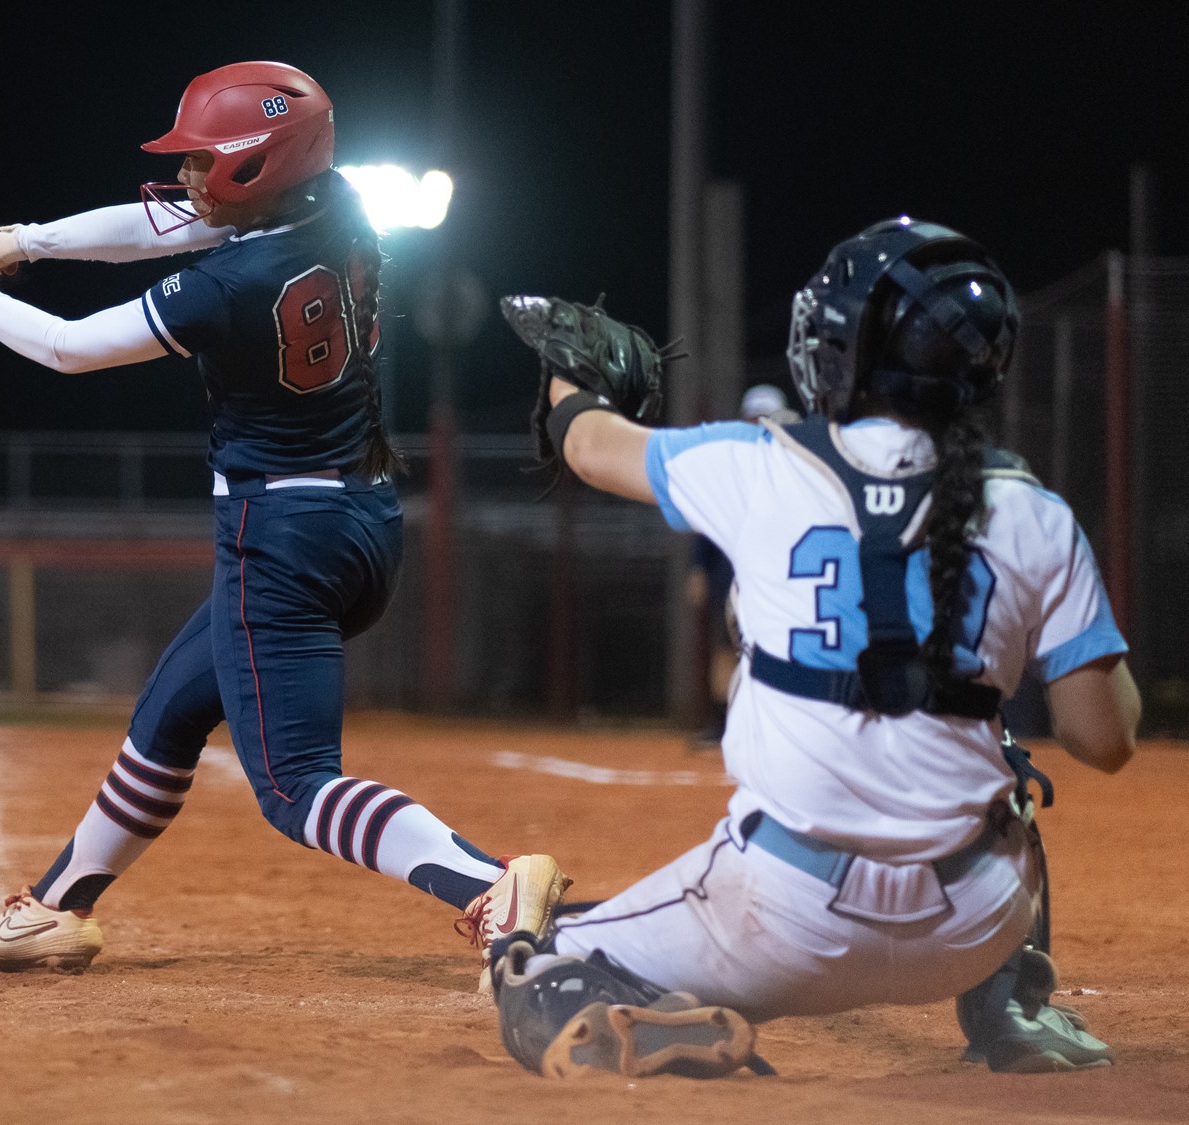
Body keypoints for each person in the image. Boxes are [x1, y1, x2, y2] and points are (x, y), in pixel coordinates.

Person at [0, 61, 566, 985]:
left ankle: (489, 883)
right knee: (169, 714)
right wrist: (14, 242)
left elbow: (69, 348)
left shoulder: (233, 281)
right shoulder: (341, 211)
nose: (185, 180)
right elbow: (159, 225)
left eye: (204, 162)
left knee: (295, 787)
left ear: (256, 171)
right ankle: (57, 909)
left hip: (279, 540)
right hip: (361, 522)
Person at [488, 219, 1138, 1079]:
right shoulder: (1036, 511)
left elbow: (589, 445)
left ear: (842, 352)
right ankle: (1014, 1010)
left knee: (540, 962)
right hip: (977, 920)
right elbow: (1105, 739)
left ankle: (664, 1024)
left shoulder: (762, 461)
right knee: (1007, 781)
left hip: (787, 917)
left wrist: (575, 377)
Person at [686, 385, 799, 748]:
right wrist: (698, 567)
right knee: (725, 648)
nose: (759, 426)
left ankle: (777, 728)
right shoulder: (732, 464)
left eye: (766, 419)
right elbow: (707, 520)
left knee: (779, 644)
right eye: (753, 419)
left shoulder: (795, 464)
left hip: (780, 569)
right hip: (731, 567)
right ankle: (722, 723)